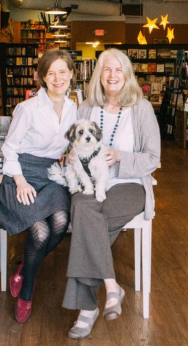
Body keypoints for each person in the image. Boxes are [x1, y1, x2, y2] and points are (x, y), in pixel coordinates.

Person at [64, 49, 161, 339]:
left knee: (86, 221)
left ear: (127, 74)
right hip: (92, 184)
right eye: (107, 69)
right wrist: (71, 157)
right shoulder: (86, 108)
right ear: (99, 75)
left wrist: (120, 156)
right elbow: (72, 145)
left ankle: (86, 309)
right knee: (83, 209)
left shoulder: (141, 108)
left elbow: (153, 158)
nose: (113, 75)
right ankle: (110, 286)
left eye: (119, 69)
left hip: (130, 184)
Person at [0, 49, 77, 323]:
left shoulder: (74, 108)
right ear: (41, 77)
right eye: (50, 72)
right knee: (40, 233)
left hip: (51, 173)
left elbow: (69, 145)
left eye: (62, 71)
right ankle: (27, 289)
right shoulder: (27, 108)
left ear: (72, 75)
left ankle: (24, 269)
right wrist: (19, 181)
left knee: (61, 222)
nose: (57, 78)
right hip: (23, 173)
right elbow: (9, 149)